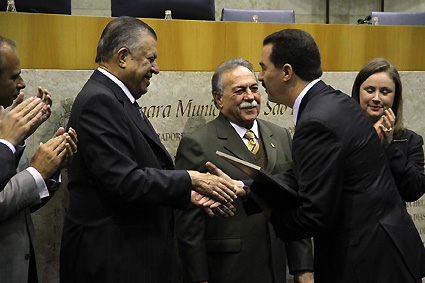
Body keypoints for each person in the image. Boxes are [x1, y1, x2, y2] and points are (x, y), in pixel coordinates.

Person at [231, 28, 425, 282]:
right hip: (385, 251)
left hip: (366, 263)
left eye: (264, 68)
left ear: (287, 72)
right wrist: (249, 187)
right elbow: (311, 174)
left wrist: (273, 215)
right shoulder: (335, 101)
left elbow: (316, 215)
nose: (261, 77)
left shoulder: (316, 120)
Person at [59, 16, 237, 283]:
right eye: (150, 59)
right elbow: (125, 181)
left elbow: (142, 171)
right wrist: (193, 178)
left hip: (132, 255)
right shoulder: (99, 100)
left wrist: (186, 194)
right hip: (113, 260)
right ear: (122, 57)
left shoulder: (117, 98)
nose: (157, 68)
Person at [174, 58, 314, 283]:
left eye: (254, 88)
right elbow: (188, 223)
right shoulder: (198, 144)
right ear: (219, 99)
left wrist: (304, 267)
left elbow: (294, 201)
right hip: (229, 269)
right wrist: (197, 278)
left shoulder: (281, 135)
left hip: (277, 268)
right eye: (239, 91)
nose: (250, 97)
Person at [0, 35, 77, 283]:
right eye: (13, 77)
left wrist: (51, 168)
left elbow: (22, 201)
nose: (22, 83)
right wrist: (36, 173)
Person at [352, 58, 425, 202]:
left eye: (385, 92)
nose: (377, 98)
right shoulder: (341, 133)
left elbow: (413, 191)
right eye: (370, 90)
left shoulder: (410, 140)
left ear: (395, 97)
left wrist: (389, 147)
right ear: (358, 92)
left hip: (390, 222)